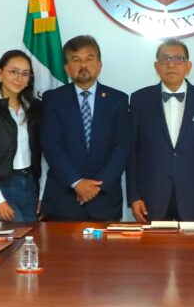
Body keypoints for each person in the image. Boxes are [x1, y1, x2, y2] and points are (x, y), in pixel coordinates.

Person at [127, 39, 194, 222]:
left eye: (178, 59)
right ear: (156, 66)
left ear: (188, 65)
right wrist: (134, 197)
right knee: (152, 249)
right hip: (150, 198)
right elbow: (132, 153)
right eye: (165, 59)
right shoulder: (139, 100)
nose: (171, 64)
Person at [40, 35, 130, 221]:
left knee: (106, 251)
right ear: (67, 68)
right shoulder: (53, 99)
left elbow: (122, 148)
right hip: (63, 200)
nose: (83, 65)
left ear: (99, 64)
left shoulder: (118, 100)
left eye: (89, 59)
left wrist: (95, 187)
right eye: (76, 60)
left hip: (104, 200)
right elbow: (51, 146)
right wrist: (77, 183)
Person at [0, 50, 43, 222]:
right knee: (13, 244)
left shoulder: (34, 108)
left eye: (25, 73)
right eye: (13, 71)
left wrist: (41, 193)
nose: (19, 78)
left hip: (29, 187)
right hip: (2, 187)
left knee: (30, 242)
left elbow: (42, 155)